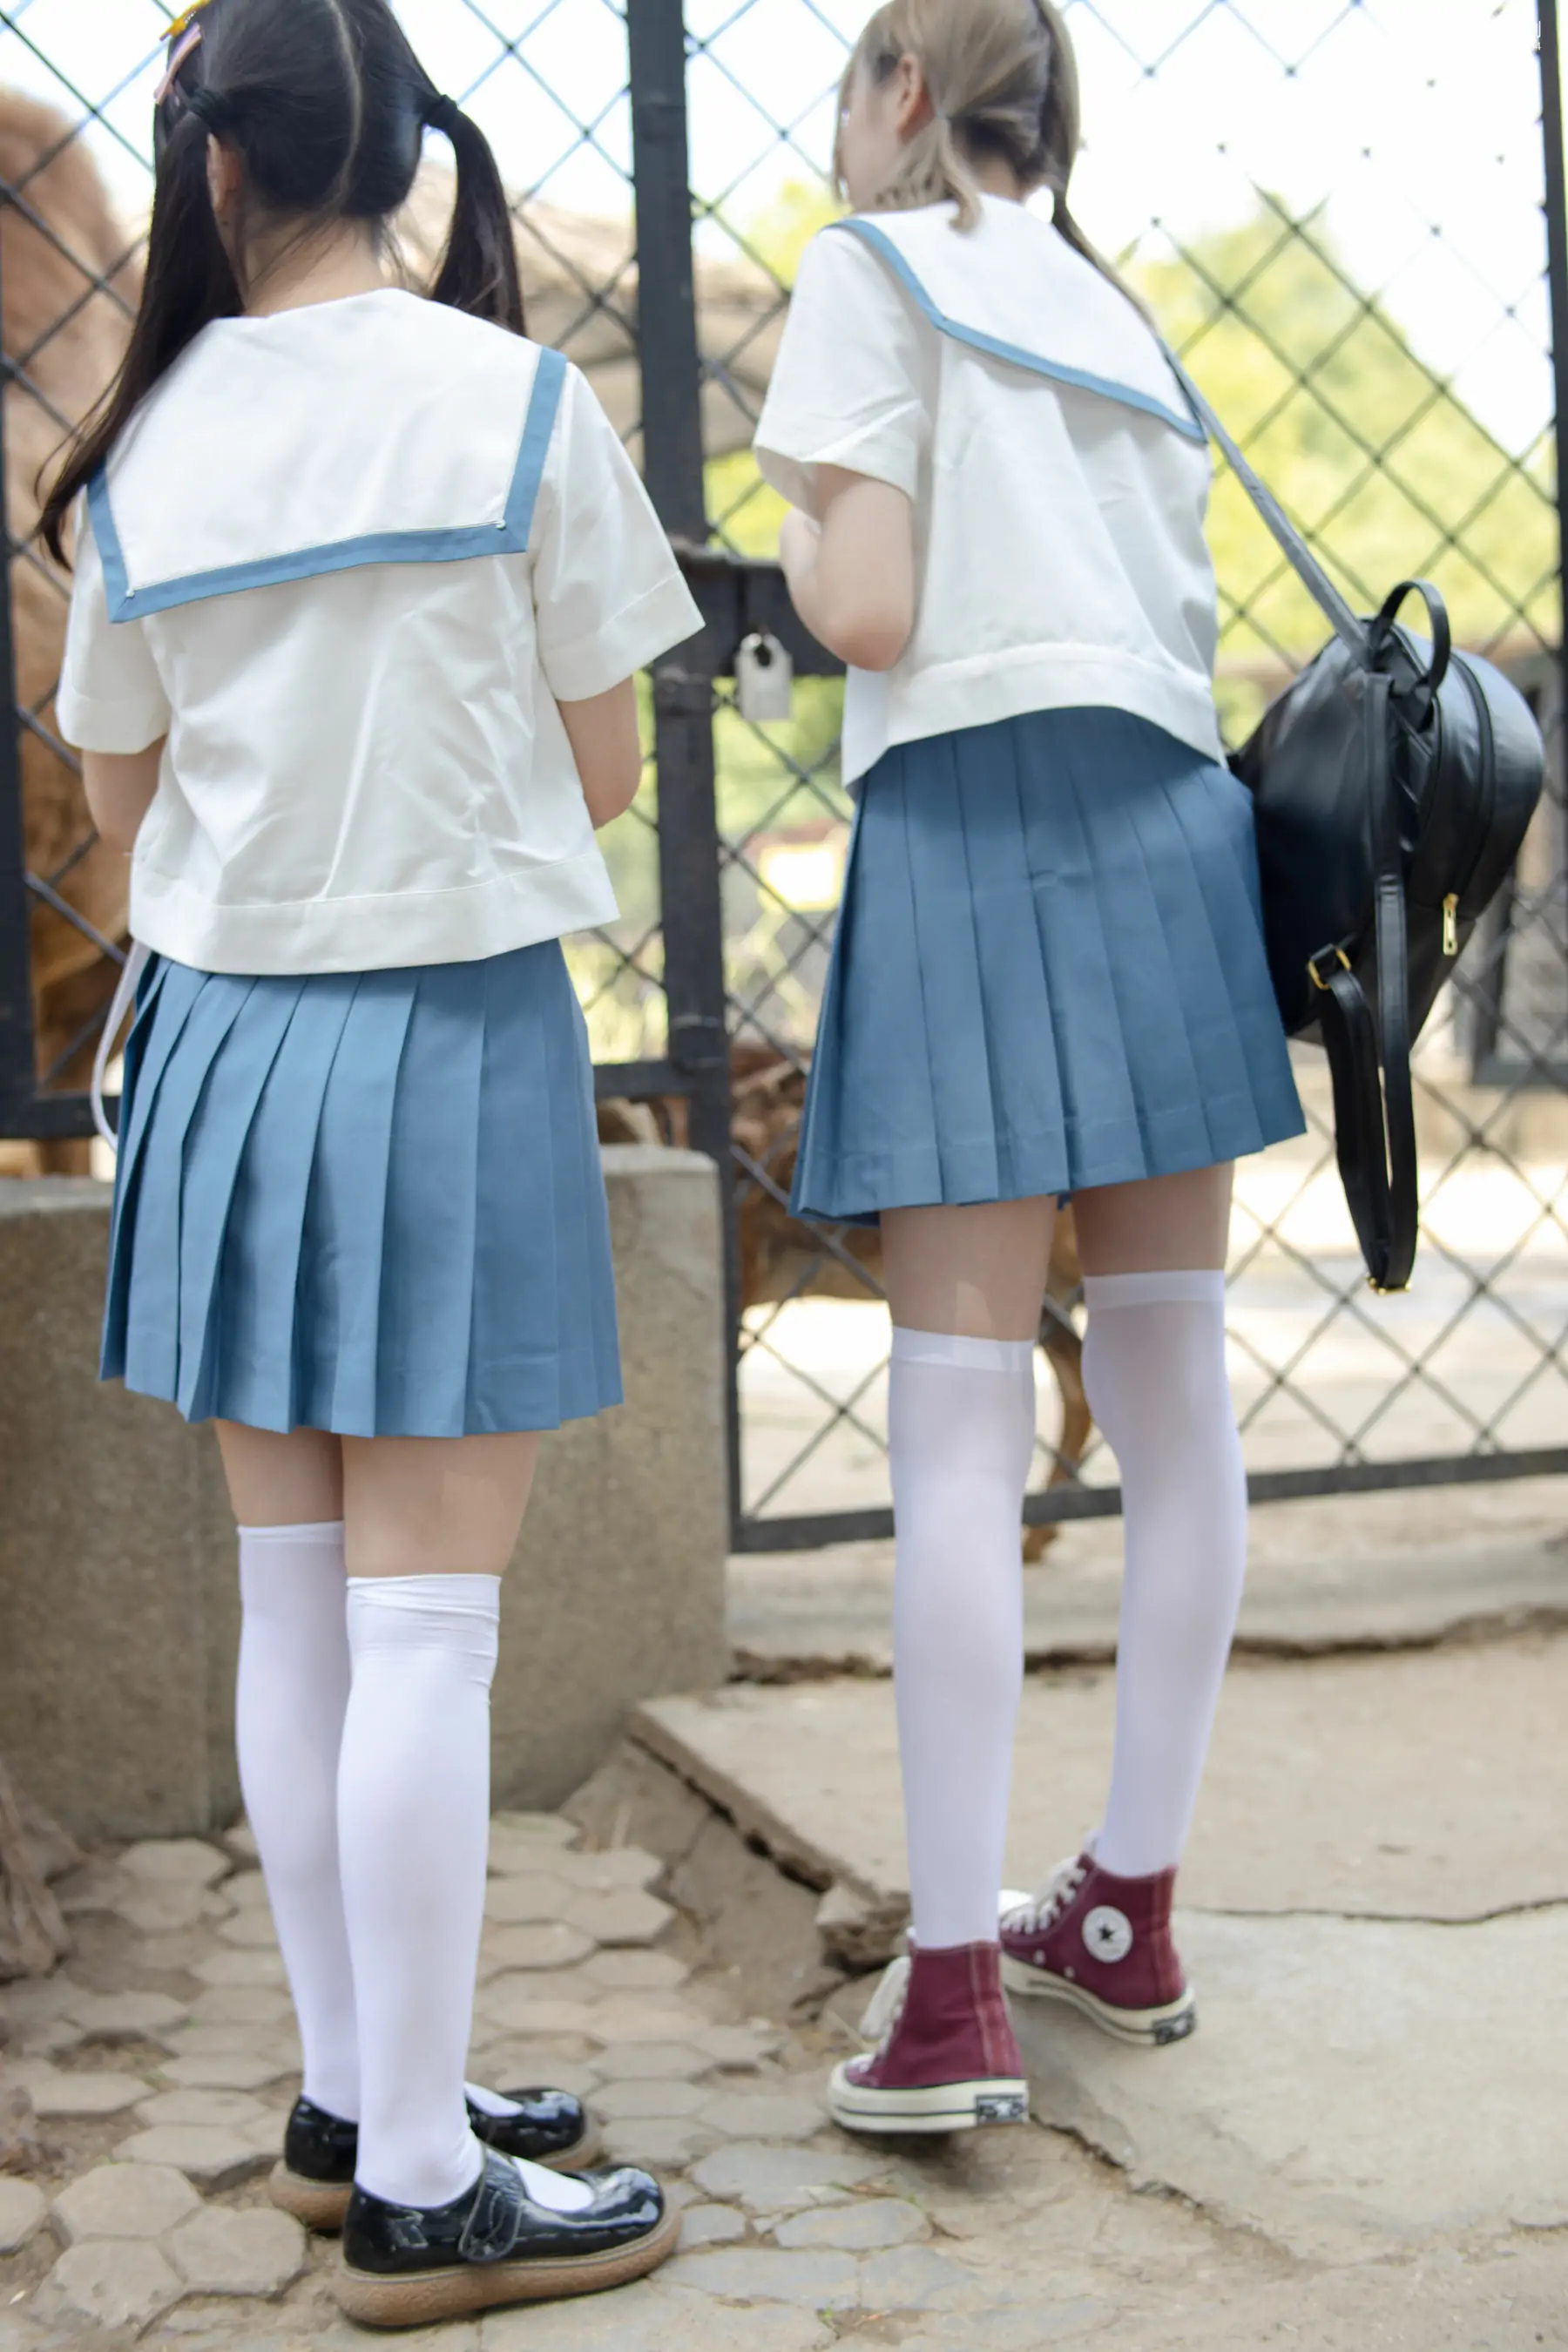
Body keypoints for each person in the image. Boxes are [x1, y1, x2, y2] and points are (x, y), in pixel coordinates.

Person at [45, 0, 700, 2321]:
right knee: (426, 1626)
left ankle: (356, 2099)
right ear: (405, 156)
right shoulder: (515, 404)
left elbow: (116, 802)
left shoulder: (148, 443)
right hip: (447, 1042)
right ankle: (423, 2178)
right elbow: (608, 768)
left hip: (223, 1054)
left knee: (300, 1608)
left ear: (216, 168)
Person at [754, 0, 1305, 2137]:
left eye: (851, 82)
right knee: (1173, 1395)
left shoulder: (865, 266)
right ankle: (1128, 1910)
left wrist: (792, 544)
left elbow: (871, 609)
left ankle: (952, 1997)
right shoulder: (1116, 309)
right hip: (1174, 832)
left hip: (976, 831)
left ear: (906, 91)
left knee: (961, 1429)